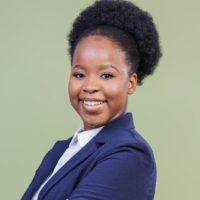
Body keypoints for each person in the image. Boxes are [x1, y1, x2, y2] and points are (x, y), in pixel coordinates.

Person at [21, 0, 162, 199]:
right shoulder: (62, 150)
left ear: (130, 83)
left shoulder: (130, 154)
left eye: (106, 75)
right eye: (79, 74)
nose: (89, 86)